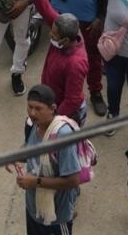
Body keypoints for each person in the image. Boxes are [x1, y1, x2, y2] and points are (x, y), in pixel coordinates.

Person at [19, 83, 83, 235]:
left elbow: (73, 180)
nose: (32, 113)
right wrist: (13, 158)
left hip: (56, 217)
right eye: (30, 107)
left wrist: (35, 182)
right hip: (34, 209)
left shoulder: (62, 136)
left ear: (53, 108)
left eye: (38, 108)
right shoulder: (36, 124)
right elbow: (29, 150)